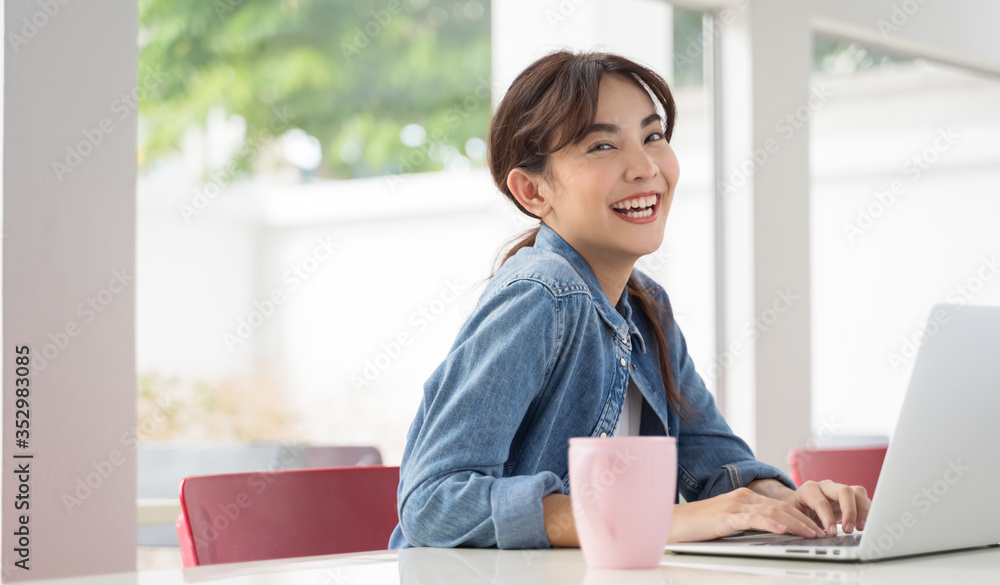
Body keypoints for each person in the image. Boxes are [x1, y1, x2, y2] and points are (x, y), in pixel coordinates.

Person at [388, 50, 870, 550]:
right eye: (601, 146)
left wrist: (788, 503)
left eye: (653, 136)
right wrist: (647, 521)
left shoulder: (645, 307)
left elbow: (716, 460)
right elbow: (434, 503)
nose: (644, 167)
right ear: (532, 191)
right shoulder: (543, 294)